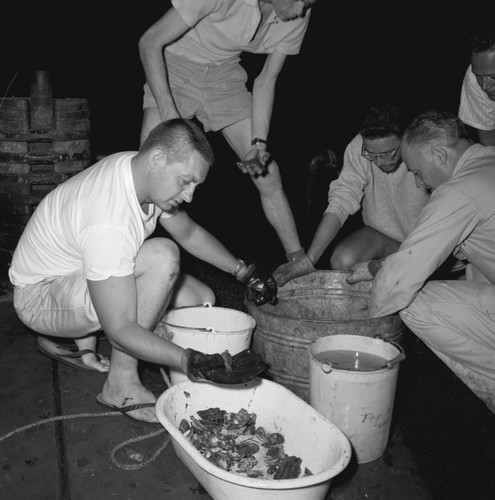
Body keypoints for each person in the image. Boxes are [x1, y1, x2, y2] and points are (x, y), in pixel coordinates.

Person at [8, 119, 265, 423]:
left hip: (75, 276)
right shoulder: (108, 217)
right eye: (186, 181)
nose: (190, 196)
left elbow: (190, 234)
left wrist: (244, 273)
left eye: (195, 185)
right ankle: (121, 384)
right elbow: (119, 330)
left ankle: (98, 341)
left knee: (201, 297)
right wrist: (190, 360)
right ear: (158, 159)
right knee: (162, 257)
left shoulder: (139, 170)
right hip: (40, 298)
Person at [138, 0, 317, 268]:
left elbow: (266, 80)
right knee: (147, 174)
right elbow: (149, 42)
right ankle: (125, 264)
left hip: (224, 75)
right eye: (300, 0)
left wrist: (258, 142)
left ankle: (298, 263)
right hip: (175, 67)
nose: (302, 10)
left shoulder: (299, 13)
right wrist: (170, 115)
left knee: (267, 172)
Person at [347, 110, 495, 413]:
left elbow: (398, 282)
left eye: (416, 170)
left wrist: (358, 341)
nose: (418, 183)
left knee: (410, 302)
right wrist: (377, 266)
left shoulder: (458, 191)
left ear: (439, 154)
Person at [273, 102, 431, 286]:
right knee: (343, 259)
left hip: (425, 244)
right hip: (383, 237)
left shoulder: (424, 149)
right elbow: (341, 200)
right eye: (371, 154)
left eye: (388, 153)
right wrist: (310, 259)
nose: (379, 162)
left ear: (406, 138)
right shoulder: (358, 147)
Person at [458, 25, 495, 146]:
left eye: (494, 77)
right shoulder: (473, 79)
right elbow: (489, 141)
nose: (484, 86)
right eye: (478, 76)